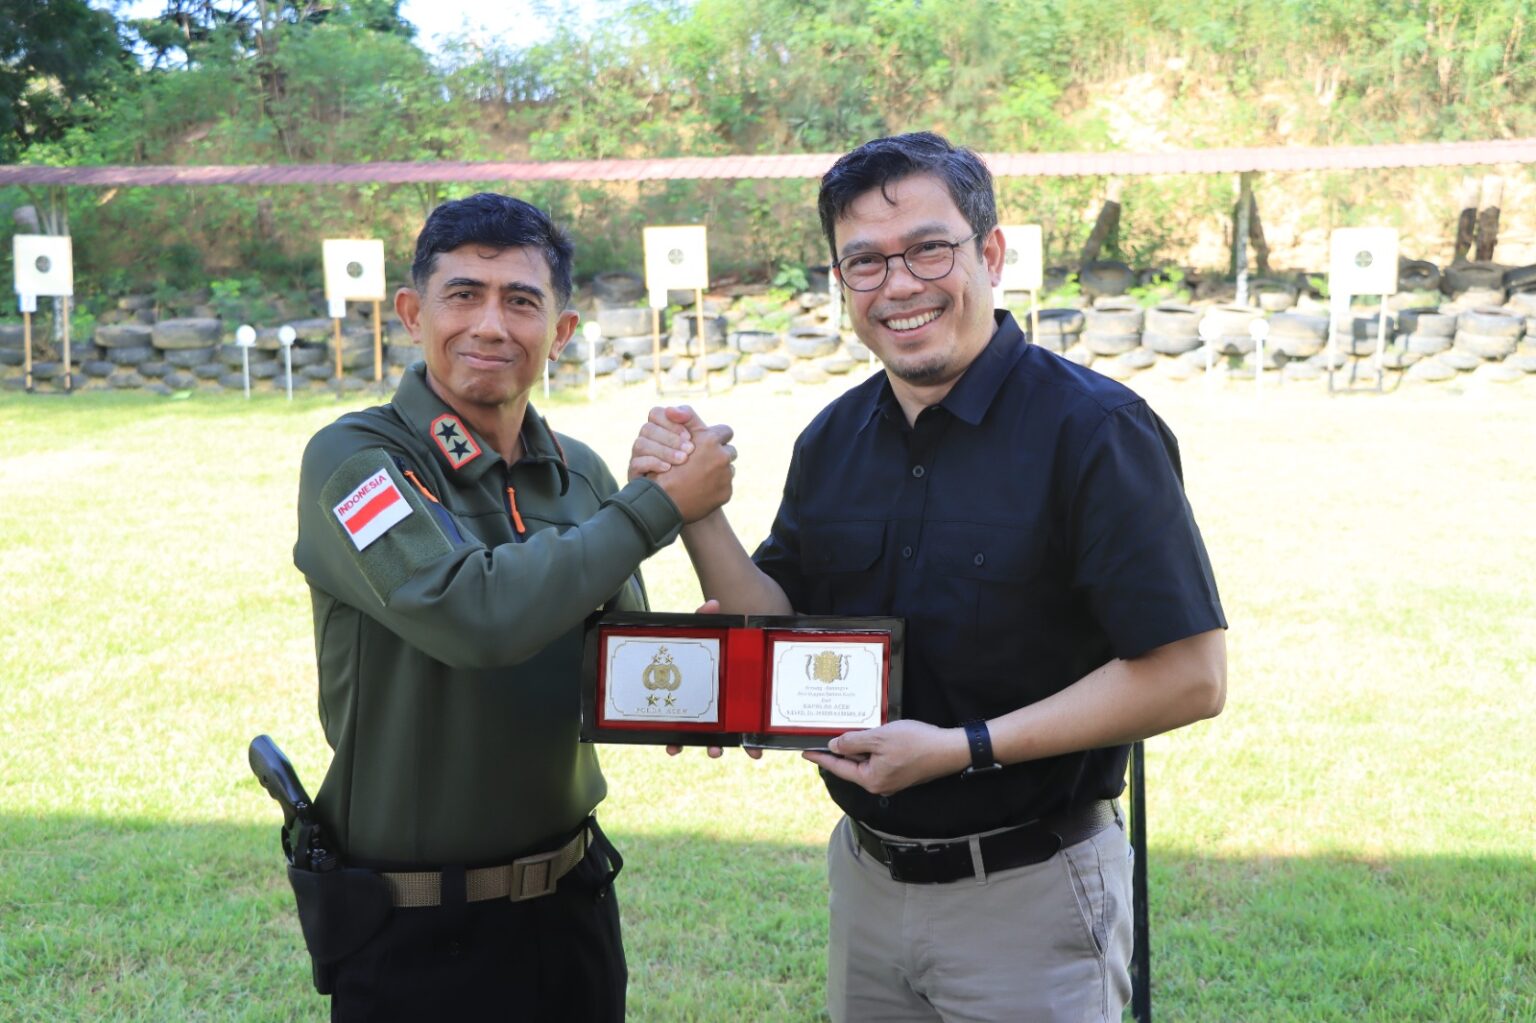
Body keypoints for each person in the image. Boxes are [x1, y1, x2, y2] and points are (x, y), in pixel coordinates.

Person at [631, 132, 1227, 1022]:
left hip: (1029, 895)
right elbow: (777, 626)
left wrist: (961, 748)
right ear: (840, 283)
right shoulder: (832, 440)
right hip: (867, 882)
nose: (899, 284)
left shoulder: (1095, 430)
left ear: (988, 252)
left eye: (928, 248)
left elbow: (1191, 675)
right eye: (864, 262)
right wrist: (694, 508)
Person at [291, 192, 735, 1021]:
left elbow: (617, 664)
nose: (491, 325)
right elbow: (473, 614)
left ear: (559, 333)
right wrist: (657, 506)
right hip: (414, 928)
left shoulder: (582, 474)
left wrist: (715, 683)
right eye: (464, 295)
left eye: (521, 300)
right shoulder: (354, 460)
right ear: (412, 313)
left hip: (571, 909)